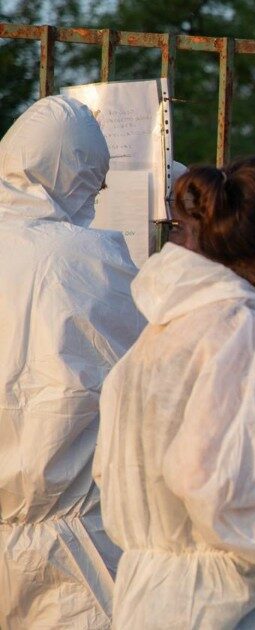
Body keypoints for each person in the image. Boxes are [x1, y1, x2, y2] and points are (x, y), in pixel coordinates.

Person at [93, 156, 255, 628]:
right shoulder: (244, 337)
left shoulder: (163, 330)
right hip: (231, 603)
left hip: (150, 594)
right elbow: (224, 491)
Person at [0, 96, 145, 629]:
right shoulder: (88, 259)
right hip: (73, 544)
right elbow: (150, 379)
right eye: (96, 178)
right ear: (75, 170)